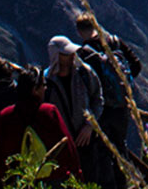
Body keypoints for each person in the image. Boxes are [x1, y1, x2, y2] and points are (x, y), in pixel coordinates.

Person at [77, 13, 142, 189]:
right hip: (122, 107)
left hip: (102, 110)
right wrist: (123, 86)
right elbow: (136, 65)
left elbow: (83, 87)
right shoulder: (114, 41)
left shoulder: (83, 54)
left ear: (79, 31)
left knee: (103, 154)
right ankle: (128, 183)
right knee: (121, 147)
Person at [0, 65, 82, 185]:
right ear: (35, 89)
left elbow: (0, 154)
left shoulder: (6, 116)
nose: (45, 89)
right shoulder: (48, 112)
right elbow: (67, 148)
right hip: (51, 180)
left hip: (19, 181)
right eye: (43, 85)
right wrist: (77, 175)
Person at [45, 36, 110, 189]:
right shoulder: (46, 82)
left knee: (90, 182)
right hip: (62, 148)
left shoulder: (85, 73)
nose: (72, 56)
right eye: (66, 54)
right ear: (56, 56)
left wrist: (90, 125)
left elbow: (98, 100)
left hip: (86, 142)